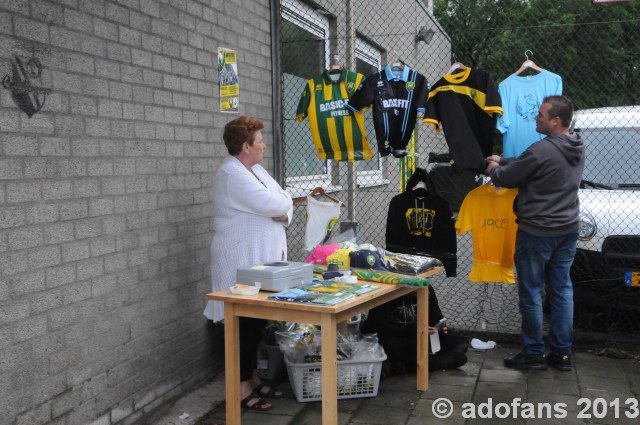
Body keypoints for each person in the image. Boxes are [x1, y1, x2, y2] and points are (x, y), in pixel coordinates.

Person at [484, 95, 585, 371]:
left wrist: (495, 168)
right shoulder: (576, 144)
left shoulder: (542, 150)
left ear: (555, 120)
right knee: (562, 289)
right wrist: (505, 159)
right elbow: (529, 161)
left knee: (531, 292)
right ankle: (561, 354)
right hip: (568, 229)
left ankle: (532, 353)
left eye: (541, 115)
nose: (536, 118)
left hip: (537, 232)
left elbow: (510, 177)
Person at [203, 116, 293, 410]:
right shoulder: (233, 174)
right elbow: (275, 204)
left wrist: (282, 208)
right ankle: (241, 387)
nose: (264, 145)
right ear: (245, 146)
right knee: (242, 323)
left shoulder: (255, 170)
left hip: (258, 261)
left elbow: (284, 200)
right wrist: (280, 208)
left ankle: (253, 377)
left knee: (255, 321)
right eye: (259, 141)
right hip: (239, 259)